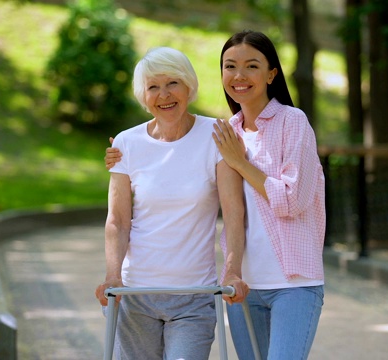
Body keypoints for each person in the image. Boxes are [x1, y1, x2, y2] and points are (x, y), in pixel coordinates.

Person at [105, 30, 326, 360]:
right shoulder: (227, 130)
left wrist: (239, 161)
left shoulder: (288, 123)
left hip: (291, 282)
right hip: (242, 287)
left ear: (271, 74)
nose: (239, 76)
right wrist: (119, 156)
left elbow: (290, 201)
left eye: (251, 66)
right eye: (230, 66)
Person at [94, 46, 249, 360]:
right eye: (153, 87)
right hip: (135, 296)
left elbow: (233, 211)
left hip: (194, 296)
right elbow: (118, 220)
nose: (164, 95)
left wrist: (232, 272)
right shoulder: (127, 142)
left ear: (189, 86)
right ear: (144, 95)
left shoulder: (216, 134)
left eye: (172, 83)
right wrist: (113, 275)